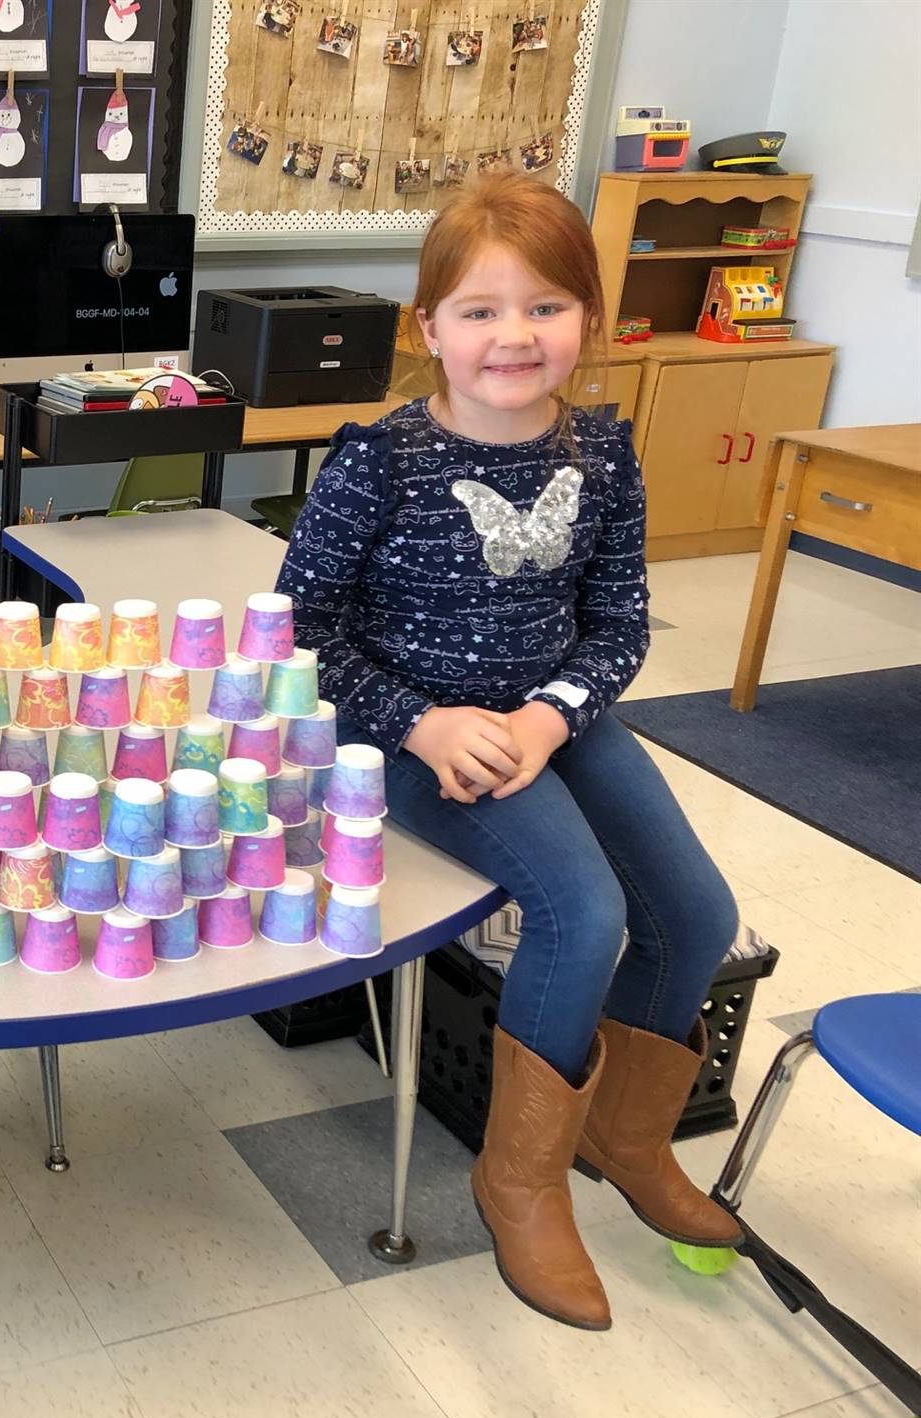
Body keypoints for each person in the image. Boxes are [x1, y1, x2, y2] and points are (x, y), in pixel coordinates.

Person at [276, 172, 740, 1331]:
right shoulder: (376, 463)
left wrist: (548, 717)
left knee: (695, 915)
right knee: (583, 913)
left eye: (545, 306)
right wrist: (424, 723)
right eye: (480, 311)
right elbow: (293, 636)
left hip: (554, 719)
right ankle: (519, 1180)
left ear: (588, 315)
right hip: (411, 734)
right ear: (428, 328)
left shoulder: (608, 453)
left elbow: (622, 621)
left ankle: (627, 1144)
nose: (514, 336)